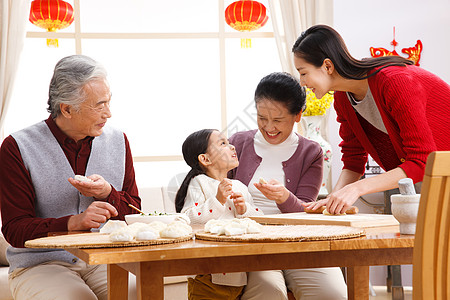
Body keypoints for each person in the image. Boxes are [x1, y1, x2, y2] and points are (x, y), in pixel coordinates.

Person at [0, 55, 141, 300]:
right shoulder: (17, 147)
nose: (108, 113)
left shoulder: (119, 141)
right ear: (66, 108)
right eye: (100, 105)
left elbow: (136, 213)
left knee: (140, 295)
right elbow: (15, 229)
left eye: (108, 102)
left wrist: (108, 193)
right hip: (40, 265)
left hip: (103, 259)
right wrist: (73, 223)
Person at [292, 24, 450, 215]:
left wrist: (358, 188)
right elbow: (353, 161)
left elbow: (422, 159)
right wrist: (332, 199)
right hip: (426, 182)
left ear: (327, 66)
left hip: (440, 176)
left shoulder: (394, 81)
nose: (302, 82)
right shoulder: (343, 98)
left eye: (303, 73)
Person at [229, 72, 347, 300]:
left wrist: (284, 197)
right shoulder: (238, 143)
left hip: (299, 240)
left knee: (333, 293)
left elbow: (307, 212)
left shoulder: (311, 152)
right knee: (269, 291)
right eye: (262, 118)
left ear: (297, 115)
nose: (269, 127)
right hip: (251, 241)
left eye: (278, 120)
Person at [175, 129, 262, 300]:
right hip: (207, 275)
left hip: (238, 275)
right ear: (205, 159)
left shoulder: (240, 187)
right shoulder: (199, 182)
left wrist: (244, 210)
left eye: (229, 142)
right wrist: (218, 200)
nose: (232, 147)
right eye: (223, 143)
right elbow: (188, 218)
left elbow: (259, 219)